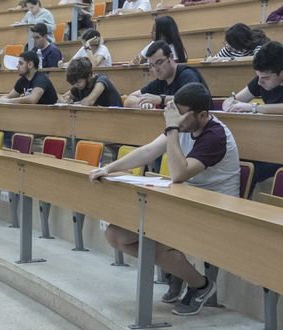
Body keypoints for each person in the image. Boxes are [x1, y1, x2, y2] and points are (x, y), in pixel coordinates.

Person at [89, 84, 239, 315]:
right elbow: (149, 151)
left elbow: (179, 173)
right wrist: (108, 168)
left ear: (202, 115)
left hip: (215, 209)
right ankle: (179, 271)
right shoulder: (184, 126)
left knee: (151, 240)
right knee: (116, 235)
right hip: (187, 202)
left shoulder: (216, 136)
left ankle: (200, 285)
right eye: (174, 114)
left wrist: (171, 128)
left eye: (182, 116)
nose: (177, 120)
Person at [223, 42, 283, 115]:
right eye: (258, 76)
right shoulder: (263, 77)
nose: (259, 82)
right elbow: (235, 100)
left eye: (265, 78)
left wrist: (253, 108)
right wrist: (229, 103)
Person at [126, 42, 206, 107]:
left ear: (170, 57)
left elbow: (193, 99)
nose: (156, 69)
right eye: (152, 65)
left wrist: (162, 99)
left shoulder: (187, 74)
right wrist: (144, 104)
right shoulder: (160, 82)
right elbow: (129, 99)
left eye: (159, 62)